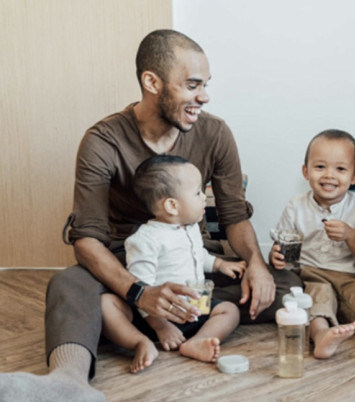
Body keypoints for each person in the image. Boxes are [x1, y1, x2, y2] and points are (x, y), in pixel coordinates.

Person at [0, 29, 301, 401]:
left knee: (286, 283)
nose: (204, 96)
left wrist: (254, 262)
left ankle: (140, 324)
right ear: (152, 82)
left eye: (205, 85)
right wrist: (140, 292)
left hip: (189, 261)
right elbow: (87, 241)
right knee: (69, 285)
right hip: (126, 264)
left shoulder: (215, 134)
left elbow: (234, 216)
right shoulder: (103, 141)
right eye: (192, 85)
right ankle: (68, 381)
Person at [269, 129, 355, 359]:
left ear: (354, 177)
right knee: (317, 297)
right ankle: (321, 334)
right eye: (320, 167)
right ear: (305, 171)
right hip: (311, 273)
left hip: (350, 276)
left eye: (340, 169)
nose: (329, 175)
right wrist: (275, 255)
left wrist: (350, 235)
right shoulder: (296, 206)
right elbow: (281, 248)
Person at [101, 154, 244, 373]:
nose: (204, 198)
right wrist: (161, 325)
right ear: (172, 205)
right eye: (197, 192)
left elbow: (198, 255)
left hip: (194, 309)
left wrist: (219, 265)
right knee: (106, 304)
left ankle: (198, 340)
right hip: (154, 317)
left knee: (229, 310)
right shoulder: (146, 240)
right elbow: (142, 291)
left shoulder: (191, 227)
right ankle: (140, 342)